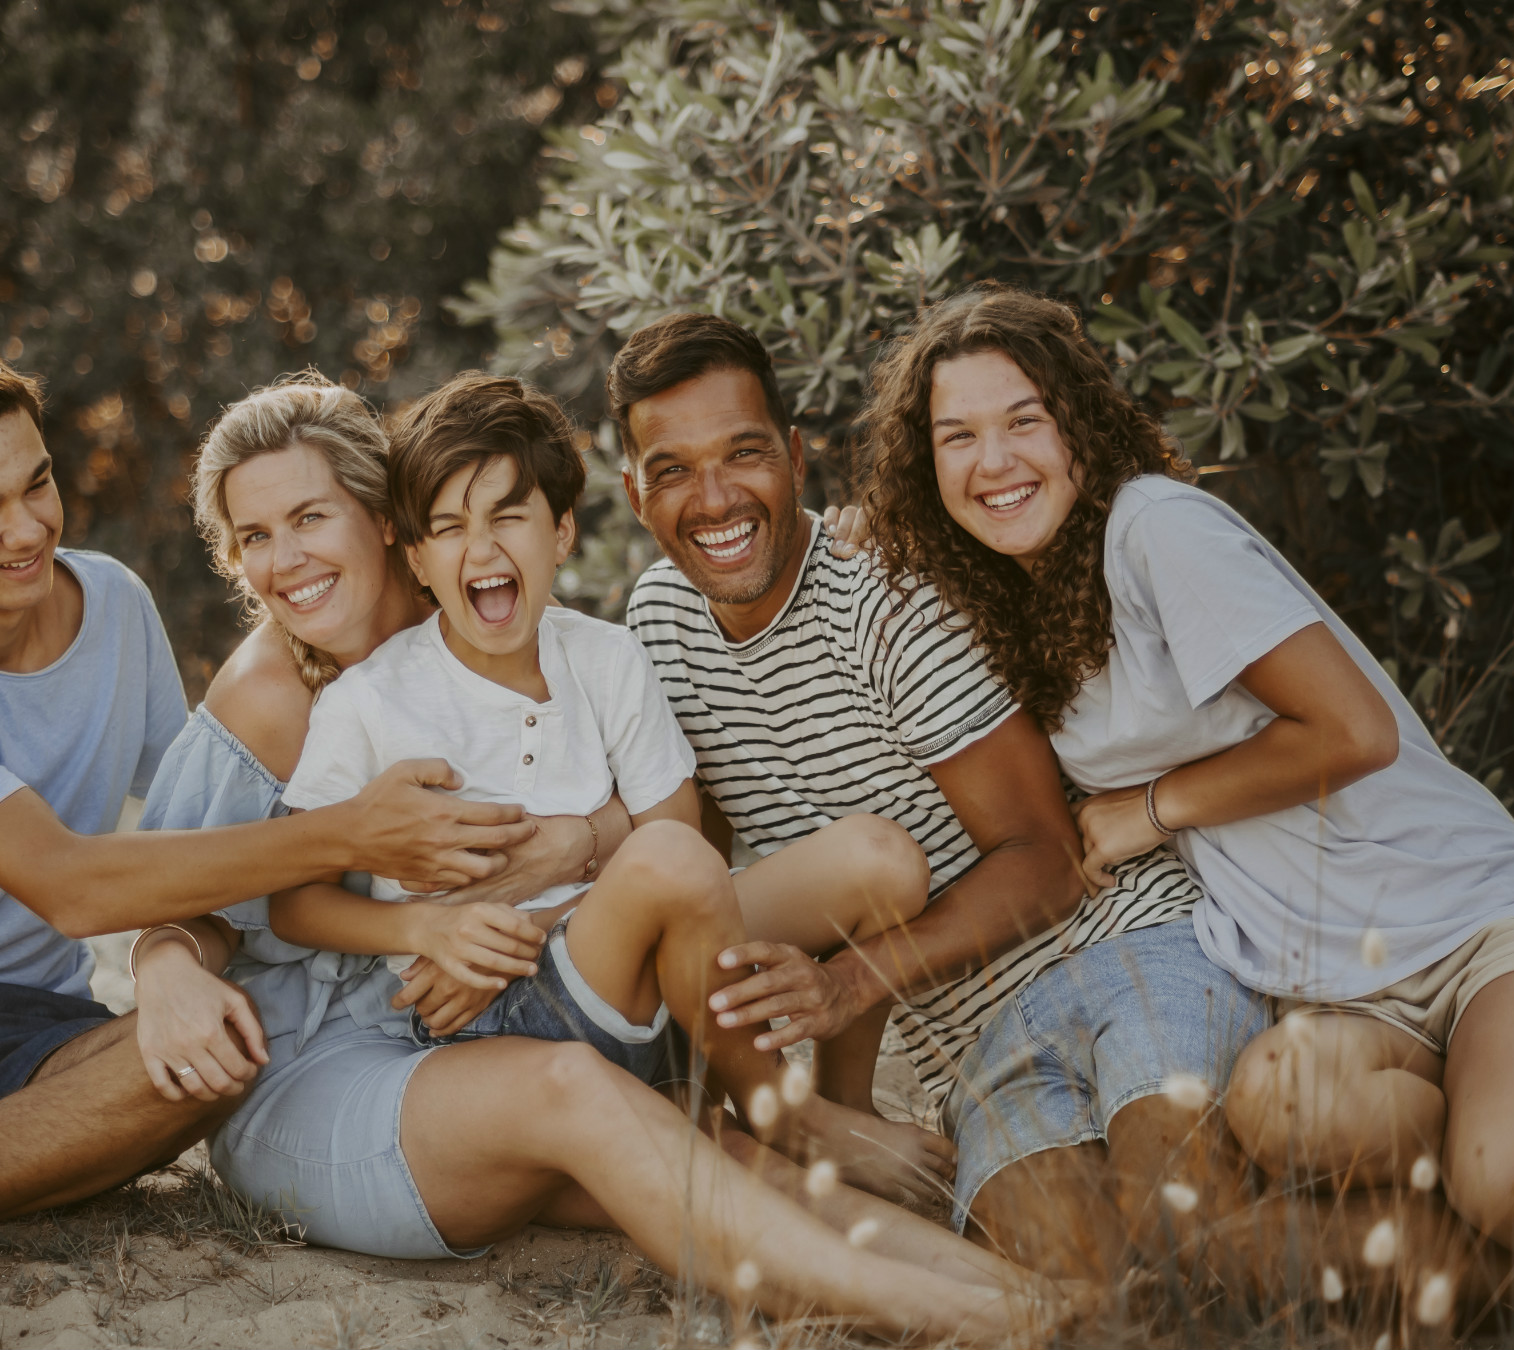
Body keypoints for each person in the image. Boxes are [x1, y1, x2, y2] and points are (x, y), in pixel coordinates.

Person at [130, 371, 1057, 1341]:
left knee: (744, 1073)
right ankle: (966, 1316)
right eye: (255, 539)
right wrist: (165, 962)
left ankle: (1033, 1295)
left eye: (309, 518)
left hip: (564, 957)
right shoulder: (288, 693)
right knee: (618, 1110)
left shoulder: (534, 633)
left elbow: (655, 825)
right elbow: (178, 885)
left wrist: (580, 841)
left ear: (380, 519)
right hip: (363, 1052)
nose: (284, 563)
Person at [0, 339, 540, 1350]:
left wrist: (182, 955)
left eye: (37, 483)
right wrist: (348, 832)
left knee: (224, 1046)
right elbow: (72, 887)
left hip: (32, 1045)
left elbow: (200, 822)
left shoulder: (115, 606)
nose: (25, 530)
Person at [858, 281, 1514, 1293]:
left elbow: (1353, 732)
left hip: (1468, 918)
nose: (994, 461)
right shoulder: (1024, 598)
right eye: (956, 437)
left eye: (1024, 421)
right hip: (1335, 986)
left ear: (1080, 427)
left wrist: (1146, 810)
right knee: (1282, 1123)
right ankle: (1501, 1156)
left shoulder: (1155, 528)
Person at [612, 312, 1268, 1272]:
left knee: (1183, 1221)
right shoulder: (658, 623)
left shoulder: (884, 594)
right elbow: (697, 875)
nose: (713, 498)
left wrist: (844, 985)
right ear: (634, 494)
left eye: (743, 454)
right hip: (975, 1046)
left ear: (795, 457)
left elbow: (1046, 859)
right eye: (672, 469)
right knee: (1082, 1270)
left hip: (1128, 947)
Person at [265, 372, 947, 1192]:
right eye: (448, 528)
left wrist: (560, 899)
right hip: (488, 1019)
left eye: (508, 516)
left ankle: (843, 1109)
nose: (482, 550)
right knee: (666, 864)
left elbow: (676, 836)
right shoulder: (371, 701)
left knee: (883, 860)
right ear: (415, 557)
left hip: (637, 971)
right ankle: (782, 1117)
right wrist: (423, 933)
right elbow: (292, 902)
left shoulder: (606, 657)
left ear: (560, 534)